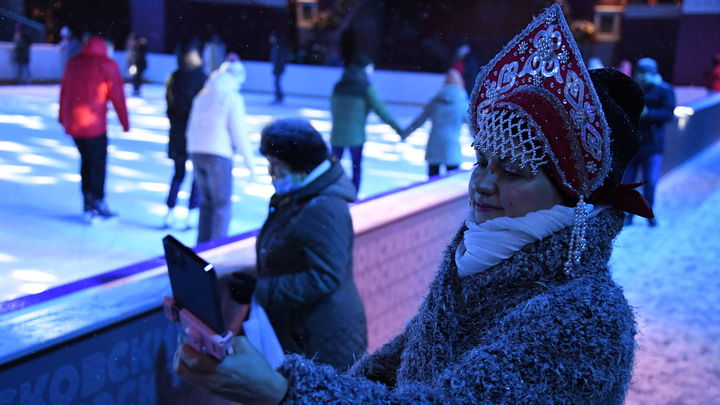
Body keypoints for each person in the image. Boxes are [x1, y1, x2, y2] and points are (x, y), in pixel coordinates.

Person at [174, 5, 653, 403]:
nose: (482, 185)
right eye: (482, 161)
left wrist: (281, 392)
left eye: (513, 171)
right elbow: (387, 373)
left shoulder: (586, 316)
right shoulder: (476, 263)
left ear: (575, 198)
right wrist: (266, 374)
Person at [225, 118, 367, 371]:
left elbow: (325, 277)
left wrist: (261, 290)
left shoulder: (323, 208)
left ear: (299, 165)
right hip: (304, 328)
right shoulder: (301, 196)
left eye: (275, 164)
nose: (271, 173)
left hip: (322, 338)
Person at [59, 35, 130, 223]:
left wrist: (62, 118)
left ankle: (88, 202)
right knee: (97, 163)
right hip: (94, 125)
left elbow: (64, 91)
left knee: (86, 160)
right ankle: (97, 201)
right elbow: (117, 95)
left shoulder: (73, 63)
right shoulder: (107, 64)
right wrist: (125, 121)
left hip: (74, 124)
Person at [187, 60, 257, 244]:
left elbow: (191, 127)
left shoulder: (202, 95)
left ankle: (201, 249)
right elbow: (238, 133)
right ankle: (217, 250)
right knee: (222, 205)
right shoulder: (232, 97)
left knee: (207, 203)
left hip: (197, 152)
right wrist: (251, 166)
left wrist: (192, 151)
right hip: (218, 154)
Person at [330, 53, 403, 193]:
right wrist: (399, 129)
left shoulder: (339, 85)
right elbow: (381, 110)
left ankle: (335, 193)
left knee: (334, 167)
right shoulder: (366, 87)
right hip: (356, 136)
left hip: (337, 135)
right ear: (364, 68)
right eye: (370, 67)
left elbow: (333, 108)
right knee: (356, 167)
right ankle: (354, 194)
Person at [622, 57, 676, 227]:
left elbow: (668, 113)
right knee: (628, 183)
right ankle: (629, 214)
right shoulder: (633, 89)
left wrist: (649, 114)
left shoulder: (664, 90)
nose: (641, 76)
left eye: (644, 72)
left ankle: (648, 212)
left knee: (650, 182)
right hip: (633, 145)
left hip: (653, 145)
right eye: (639, 72)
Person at [163, 42, 208, 230]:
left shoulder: (175, 77)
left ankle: (171, 213)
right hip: (194, 135)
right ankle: (189, 215)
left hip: (179, 133)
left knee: (179, 174)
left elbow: (170, 106)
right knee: (195, 177)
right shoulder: (202, 79)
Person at [401, 69, 469, 178]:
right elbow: (472, 126)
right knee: (452, 180)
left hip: (434, 145)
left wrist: (404, 133)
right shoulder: (462, 105)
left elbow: (419, 121)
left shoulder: (435, 102)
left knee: (432, 182)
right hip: (451, 146)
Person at [269, 31, 287, 104]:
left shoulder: (278, 47)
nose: (270, 39)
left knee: (276, 82)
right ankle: (279, 96)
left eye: (271, 37)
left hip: (279, 68)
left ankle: (279, 97)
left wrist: (277, 68)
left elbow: (280, 59)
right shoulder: (276, 46)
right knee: (276, 82)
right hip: (277, 68)